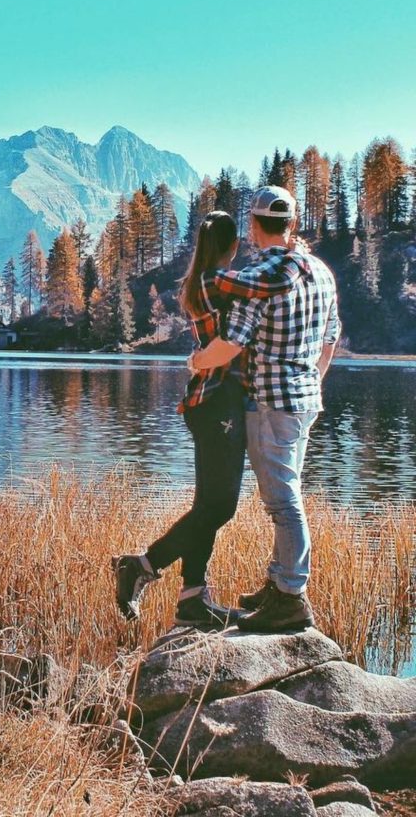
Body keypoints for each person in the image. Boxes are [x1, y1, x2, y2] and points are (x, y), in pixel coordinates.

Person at [112, 209, 307, 629]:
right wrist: (295, 256)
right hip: (217, 402)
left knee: (208, 505)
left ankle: (192, 599)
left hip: (217, 403)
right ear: (233, 246)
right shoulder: (215, 282)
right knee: (219, 507)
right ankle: (141, 565)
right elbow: (268, 285)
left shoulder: (200, 280)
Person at [190, 186, 340, 633]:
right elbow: (331, 338)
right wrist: (311, 380)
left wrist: (195, 361)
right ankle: (277, 584)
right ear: (291, 223)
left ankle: (292, 595)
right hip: (305, 400)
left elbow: (231, 344)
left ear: (254, 227)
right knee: (286, 492)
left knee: (282, 501)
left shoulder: (259, 277)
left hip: (271, 402)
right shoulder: (322, 271)